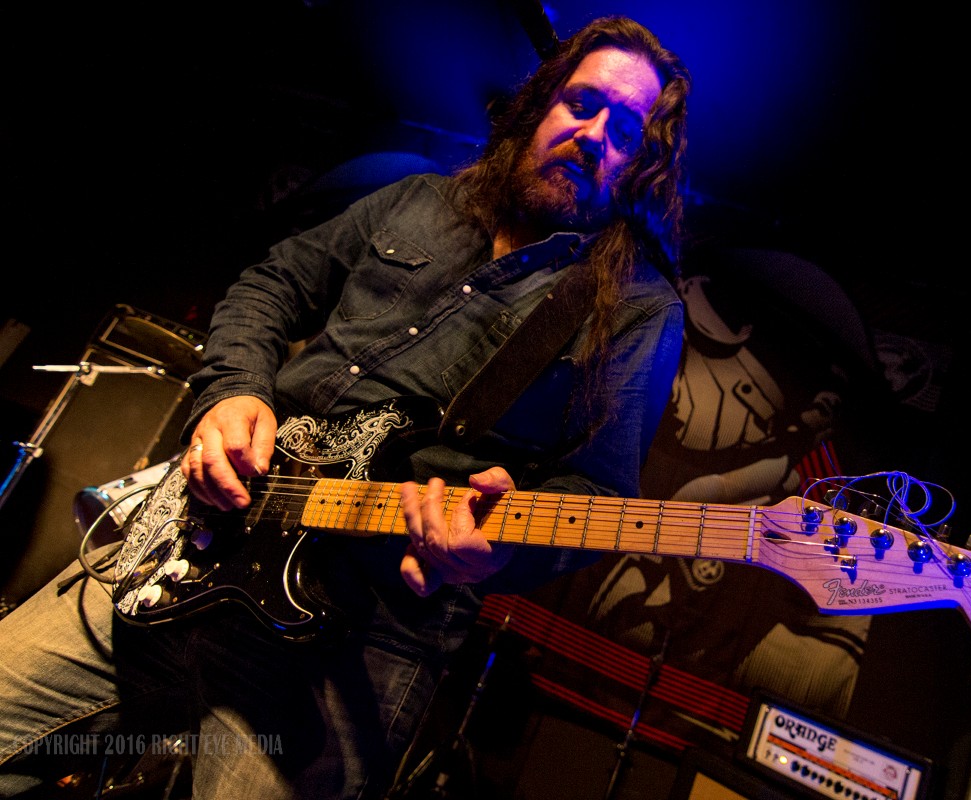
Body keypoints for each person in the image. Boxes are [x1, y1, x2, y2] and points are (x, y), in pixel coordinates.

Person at [0, 15, 690, 799]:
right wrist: (233, 392)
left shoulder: (637, 309)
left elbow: (598, 492)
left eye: (625, 131)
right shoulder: (420, 201)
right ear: (540, 106)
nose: (593, 136)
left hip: (358, 635)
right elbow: (272, 285)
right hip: (189, 539)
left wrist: (496, 552)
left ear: (642, 166)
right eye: (581, 103)